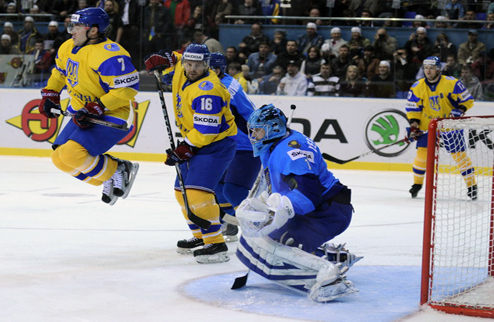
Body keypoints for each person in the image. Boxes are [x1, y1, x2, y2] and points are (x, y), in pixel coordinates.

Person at [236, 104, 360, 302]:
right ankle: (334, 256)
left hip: (329, 211)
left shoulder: (292, 152)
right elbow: (276, 186)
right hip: (319, 209)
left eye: (258, 130)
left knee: (282, 245)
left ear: (274, 128)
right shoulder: (274, 145)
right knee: (271, 241)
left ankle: (330, 278)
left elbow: (309, 196)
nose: (254, 135)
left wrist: (281, 208)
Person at [144, 43, 237, 264]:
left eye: (198, 64)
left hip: (216, 144)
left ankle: (216, 243)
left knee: (197, 194)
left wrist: (185, 148)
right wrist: (164, 57)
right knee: (181, 192)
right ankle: (201, 236)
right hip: (195, 140)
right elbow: (175, 58)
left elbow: (207, 130)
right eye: (189, 63)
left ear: (207, 65)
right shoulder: (182, 69)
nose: (192, 68)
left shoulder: (209, 89)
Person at [37, 7, 140, 207]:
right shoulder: (68, 47)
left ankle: (118, 169)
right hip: (81, 111)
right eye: (72, 26)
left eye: (77, 27)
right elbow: (60, 73)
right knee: (59, 159)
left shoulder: (111, 56)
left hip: (113, 114)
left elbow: (127, 90)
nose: (72, 31)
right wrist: (51, 94)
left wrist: (99, 106)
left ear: (93, 31)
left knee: (71, 154)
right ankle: (109, 175)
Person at [405, 56, 477, 199]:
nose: (428, 71)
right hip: (428, 126)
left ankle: (471, 185)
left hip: (450, 125)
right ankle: (417, 184)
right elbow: (413, 109)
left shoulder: (452, 83)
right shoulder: (417, 86)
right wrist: (414, 126)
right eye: (426, 68)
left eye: (431, 68)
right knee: (421, 156)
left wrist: (460, 109)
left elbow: (468, 100)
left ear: (439, 69)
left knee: (460, 156)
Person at [209, 52, 260, 242]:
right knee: (216, 186)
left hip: (244, 145)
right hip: (227, 144)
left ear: (218, 69)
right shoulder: (218, 82)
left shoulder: (225, 87)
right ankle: (230, 223)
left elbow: (249, 115)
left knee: (232, 191)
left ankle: (256, 229)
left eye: (209, 67)